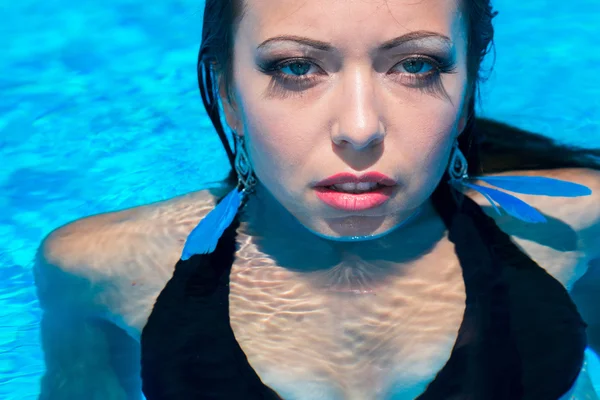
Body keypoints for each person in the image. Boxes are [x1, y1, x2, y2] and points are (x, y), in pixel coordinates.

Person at [34, 0, 600, 399]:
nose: (359, 129)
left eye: (416, 65)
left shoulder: (572, 226)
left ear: (468, 89)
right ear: (229, 95)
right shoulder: (98, 267)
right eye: (296, 67)